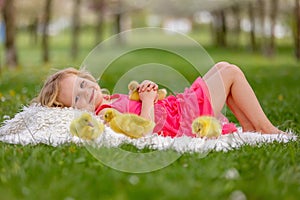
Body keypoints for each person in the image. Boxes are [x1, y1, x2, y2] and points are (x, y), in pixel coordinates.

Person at [32, 61, 283, 137]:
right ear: (73, 109)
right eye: (78, 97)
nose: (86, 92)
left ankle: (251, 127)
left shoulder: (107, 101)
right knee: (231, 74)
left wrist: (144, 90)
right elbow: (143, 130)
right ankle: (266, 128)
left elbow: (137, 104)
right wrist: (149, 100)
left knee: (222, 67)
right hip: (183, 120)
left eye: (83, 84)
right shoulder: (104, 115)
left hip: (177, 107)